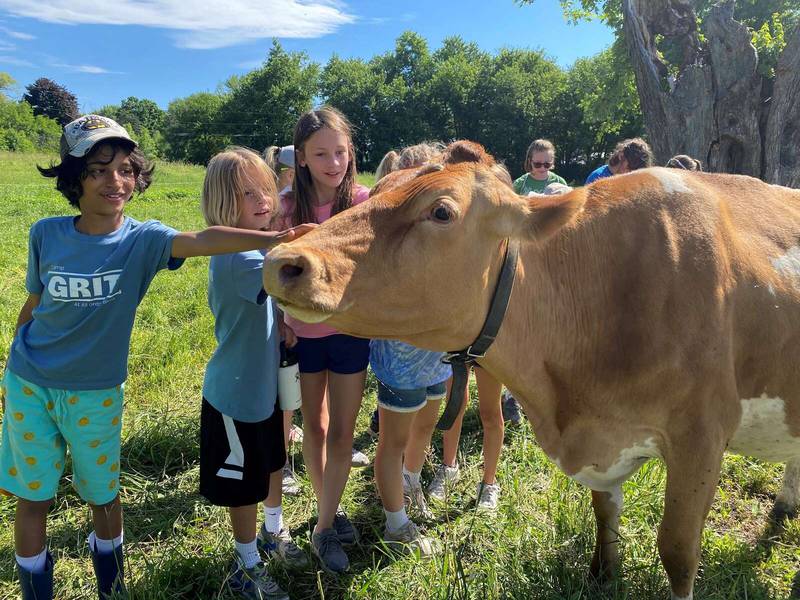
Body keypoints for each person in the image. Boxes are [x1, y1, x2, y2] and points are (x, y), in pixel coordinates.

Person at [0, 114, 311, 600]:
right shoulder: (46, 234)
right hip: (29, 382)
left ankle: (112, 587)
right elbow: (34, 305)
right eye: (98, 169)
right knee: (33, 497)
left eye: (124, 168)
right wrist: (7, 374)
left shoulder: (142, 239)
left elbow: (205, 240)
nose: (115, 181)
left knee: (102, 496)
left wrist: (274, 239)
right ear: (73, 177)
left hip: (96, 393)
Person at [200, 147, 309, 600]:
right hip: (236, 396)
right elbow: (286, 273)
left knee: (272, 464)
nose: (263, 200)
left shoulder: (253, 247)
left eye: (265, 189)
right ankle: (245, 563)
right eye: (247, 194)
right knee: (244, 485)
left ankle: (273, 532)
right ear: (225, 204)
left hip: (264, 387)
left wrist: (281, 323)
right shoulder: (237, 256)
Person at [272, 106, 371, 574]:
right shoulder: (286, 206)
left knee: (344, 433)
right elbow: (272, 270)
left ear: (350, 152)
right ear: (302, 158)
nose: (333, 162)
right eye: (321, 154)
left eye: (340, 151)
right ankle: (327, 508)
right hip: (302, 337)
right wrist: (281, 321)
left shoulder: (365, 202)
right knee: (315, 428)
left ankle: (323, 525)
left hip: (350, 334)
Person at [585, 137, 654, 184]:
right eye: (631, 167)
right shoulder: (596, 179)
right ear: (621, 156)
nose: (632, 173)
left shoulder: (632, 181)